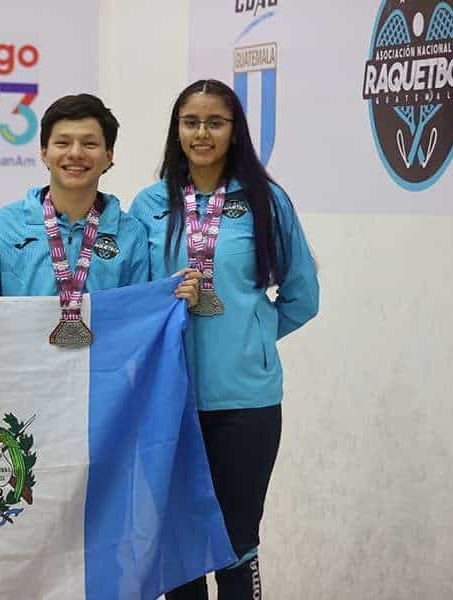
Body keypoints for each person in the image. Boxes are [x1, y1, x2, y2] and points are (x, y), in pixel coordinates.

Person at [129, 79, 319, 599]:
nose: (202, 132)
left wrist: (251, 335)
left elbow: (302, 296)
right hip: (168, 402)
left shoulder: (266, 201)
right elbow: (135, 297)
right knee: (180, 550)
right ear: (176, 130)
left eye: (215, 122)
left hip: (245, 403)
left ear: (235, 132)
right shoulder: (149, 205)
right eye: (191, 122)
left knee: (236, 546)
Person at [0, 94, 149, 337]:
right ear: (43, 153)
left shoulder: (131, 233)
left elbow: (140, 316)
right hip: (22, 369)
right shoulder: (2, 226)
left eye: (90, 144)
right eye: (62, 143)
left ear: (109, 155)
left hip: (100, 370)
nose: (76, 153)